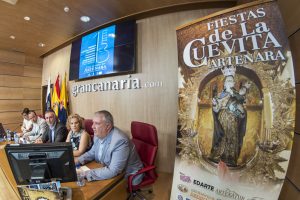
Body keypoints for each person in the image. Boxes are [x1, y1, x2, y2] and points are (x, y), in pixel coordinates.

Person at [75, 110, 143, 185]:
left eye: (97, 123)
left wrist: (85, 174)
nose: (92, 126)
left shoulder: (120, 141)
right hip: (107, 168)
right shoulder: (98, 134)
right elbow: (92, 152)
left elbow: (113, 170)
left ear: (108, 126)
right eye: (93, 122)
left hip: (128, 175)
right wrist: (78, 160)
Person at [210, 65, 251, 167]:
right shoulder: (220, 95)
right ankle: (218, 156)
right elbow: (216, 109)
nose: (229, 82)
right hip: (222, 119)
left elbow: (241, 109)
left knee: (231, 137)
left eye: (231, 81)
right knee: (222, 136)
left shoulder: (237, 95)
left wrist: (238, 96)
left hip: (233, 120)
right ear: (224, 83)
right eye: (227, 80)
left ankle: (230, 159)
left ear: (233, 83)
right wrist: (215, 104)